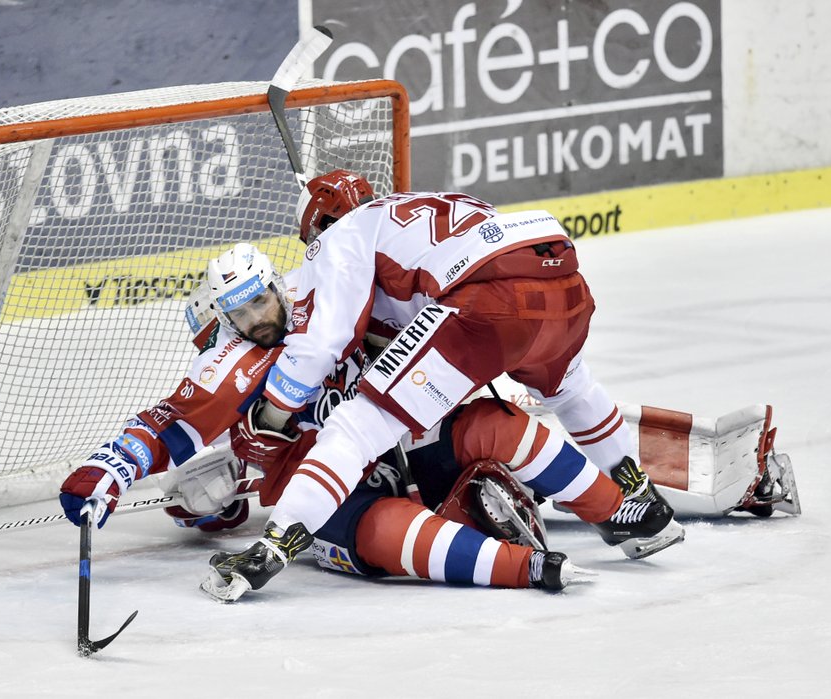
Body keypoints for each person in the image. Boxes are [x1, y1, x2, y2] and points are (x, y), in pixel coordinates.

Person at [205, 171, 686, 602]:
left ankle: (276, 545)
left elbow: (319, 346)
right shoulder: (417, 207)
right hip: (558, 272)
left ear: (318, 229)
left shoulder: (339, 239)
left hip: (487, 300)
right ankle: (634, 505)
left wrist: (273, 412)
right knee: (573, 390)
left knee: (357, 425)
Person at [59, 244, 635, 596]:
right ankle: (530, 571)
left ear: (277, 288)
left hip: (398, 453)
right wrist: (108, 468)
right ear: (225, 320)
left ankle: (626, 511)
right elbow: (172, 423)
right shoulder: (235, 359)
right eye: (240, 313)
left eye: (261, 300)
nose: (259, 318)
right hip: (326, 501)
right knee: (383, 531)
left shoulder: (327, 299)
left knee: (493, 423)